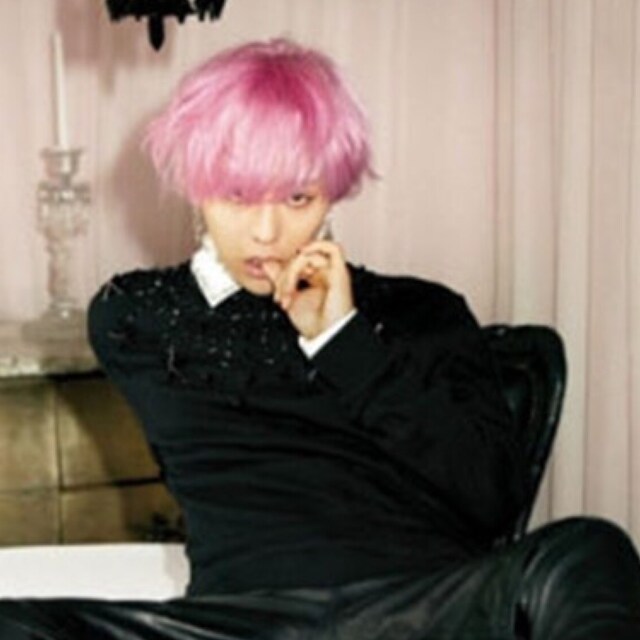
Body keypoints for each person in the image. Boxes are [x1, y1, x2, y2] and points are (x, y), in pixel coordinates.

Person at [1, 37, 639, 640]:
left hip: (418, 614)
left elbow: (494, 501)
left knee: (587, 552)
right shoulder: (138, 316)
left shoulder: (423, 312)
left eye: (297, 197)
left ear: (333, 191)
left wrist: (341, 338)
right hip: (239, 625)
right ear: (197, 187)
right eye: (237, 196)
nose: (266, 232)